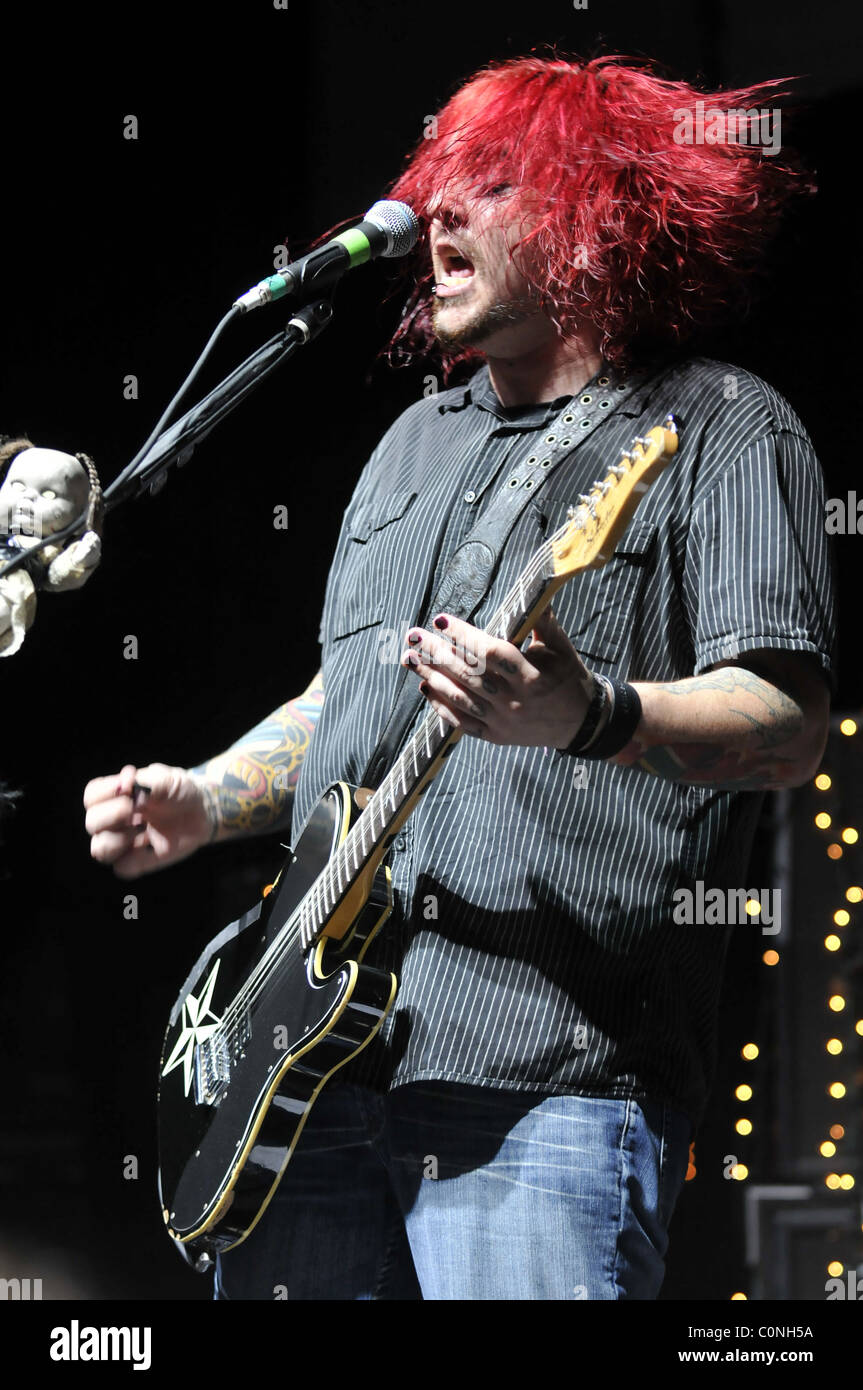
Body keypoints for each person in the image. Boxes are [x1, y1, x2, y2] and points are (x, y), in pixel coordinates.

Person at [84, 55, 835, 1300]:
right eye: (435, 184)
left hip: (543, 1089)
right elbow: (351, 698)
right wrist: (209, 795)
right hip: (306, 1081)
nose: (437, 213)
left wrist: (589, 712)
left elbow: (785, 721)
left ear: (598, 212)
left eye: (487, 185)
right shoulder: (406, 444)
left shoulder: (722, 427)